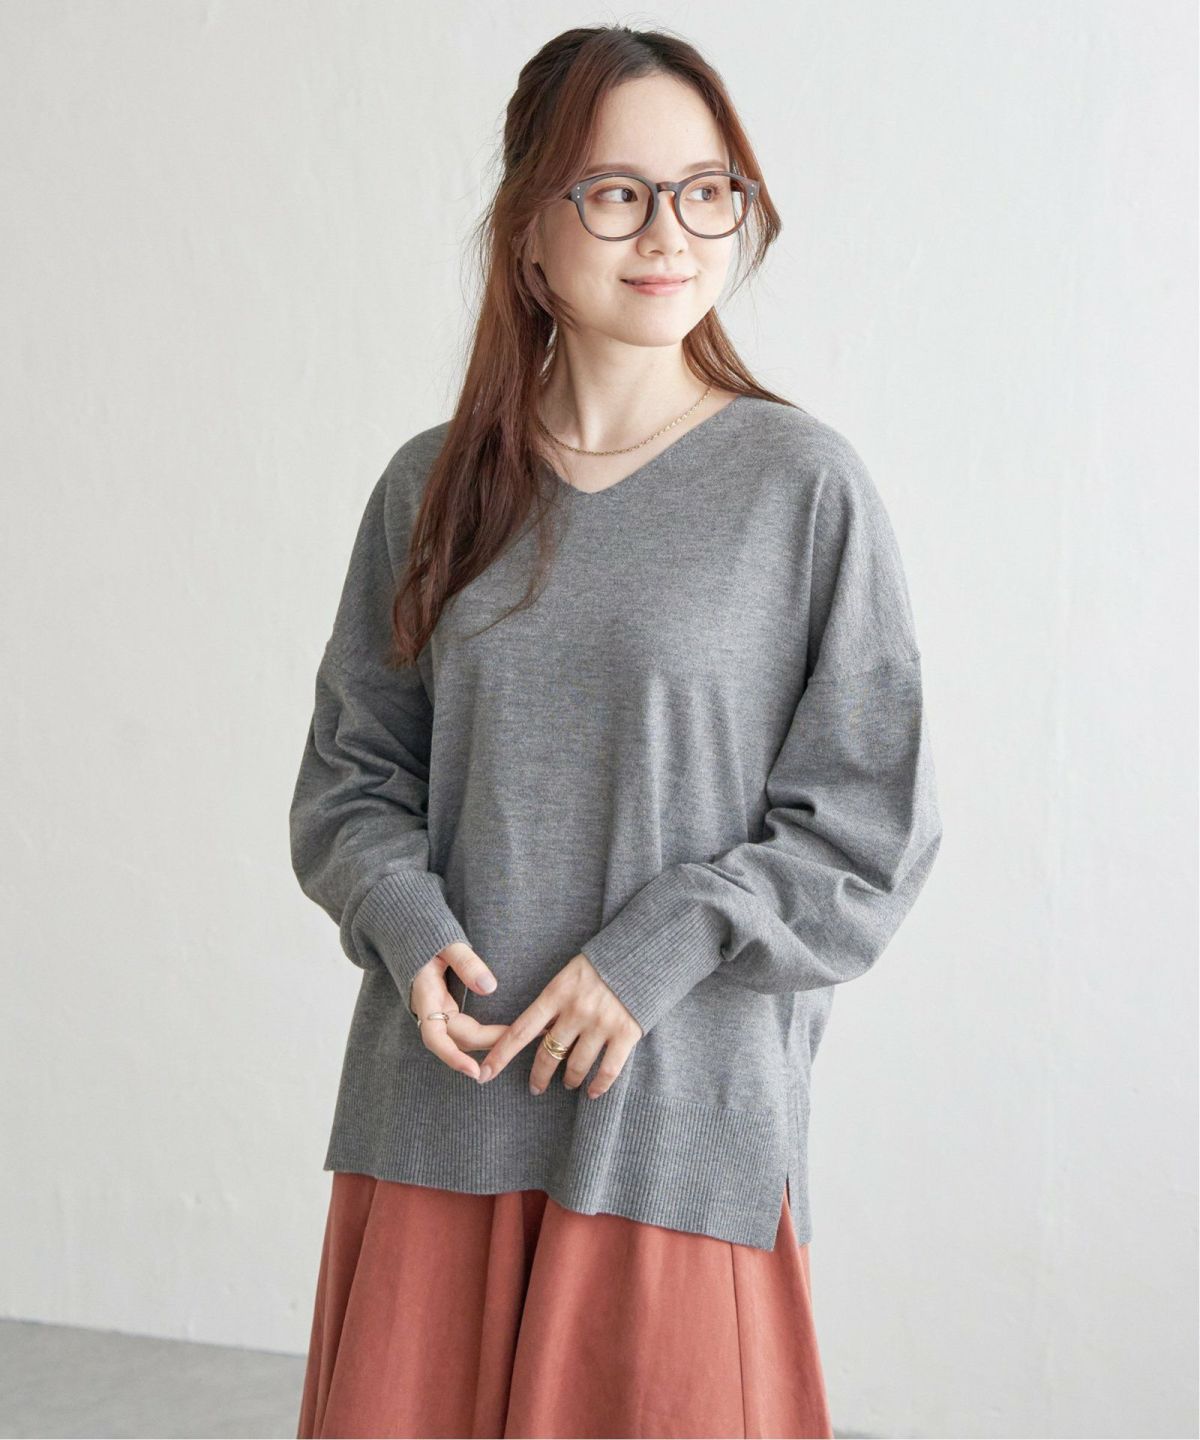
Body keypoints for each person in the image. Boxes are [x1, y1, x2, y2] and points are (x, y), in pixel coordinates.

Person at [290, 23, 942, 1440]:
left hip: (677, 1120)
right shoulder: (432, 489)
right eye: (616, 191)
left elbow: (869, 830)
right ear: (530, 228)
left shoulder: (800, 488)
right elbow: (351, 778)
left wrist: (655, 952)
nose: (669, 232)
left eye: (707, 190)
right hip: (441, 1109)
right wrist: (404, 920)